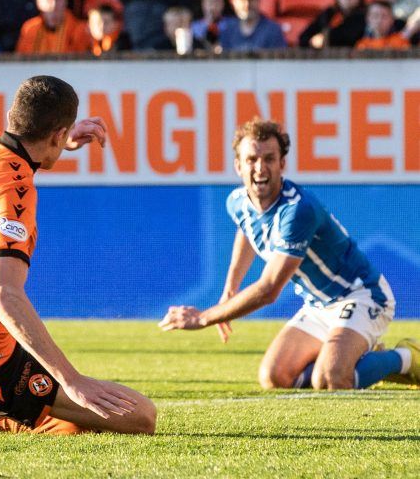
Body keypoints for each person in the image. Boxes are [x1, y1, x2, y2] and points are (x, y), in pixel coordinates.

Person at [0, 75, 157, 435]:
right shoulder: (14, 202)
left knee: (73, 406)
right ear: (57, 135)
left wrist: (62, 139)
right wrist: (72, 379)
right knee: (138, 416)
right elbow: (4, 294)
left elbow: (14, 165)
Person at [160, 119, 420, 390]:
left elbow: (269, 289)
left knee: (331, 378)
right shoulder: (237, 201)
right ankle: (354, 358)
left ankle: (404, 358)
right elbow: (247, 230)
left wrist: (204, 317)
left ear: (282, 164)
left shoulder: (297, 211)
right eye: (251, 159)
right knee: (274, 377)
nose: (260, 168)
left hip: (362, 295)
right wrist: (230, 288)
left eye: (269, 158)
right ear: (238, 166)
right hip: (318, 305)